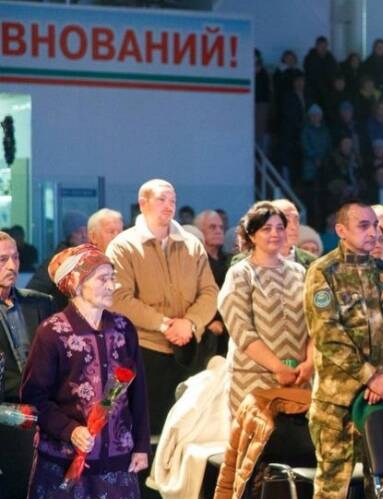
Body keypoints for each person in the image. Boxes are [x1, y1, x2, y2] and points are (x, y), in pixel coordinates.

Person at [19, 245, 150, 499]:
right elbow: (34, 398)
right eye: (103, 278)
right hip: (64, 459)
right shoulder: (53, 332)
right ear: (76, 283)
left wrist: (141, 445)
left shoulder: (123, 328)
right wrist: (69, 429)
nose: (112, 285)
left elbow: (138, 391)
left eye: (112, 277)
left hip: (115, 454)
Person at [302, 202, 383, 499]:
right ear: (341, 230)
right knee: (334, 478)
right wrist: (369, 377)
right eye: (363, 225)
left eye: (375, 225)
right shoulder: (322, 272)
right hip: (337, 399)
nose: (372, 232)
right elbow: (327, 335)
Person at [107, 179, 219, 434]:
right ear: (143, 203)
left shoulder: (192, 245)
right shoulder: (123, 246)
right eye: (161, 199)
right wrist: (164, 324)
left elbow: (210, 292)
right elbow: (119, 298)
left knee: (187, 431)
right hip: (144, 351)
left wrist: (190, 323)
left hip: (189, 348)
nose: (169, 206)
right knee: (147, 430)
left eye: (172, 200)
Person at [218, 203, 312, 414]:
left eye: (280, 228)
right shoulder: (240, 273)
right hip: (253, 379)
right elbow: (241, 330)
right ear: (252, 235)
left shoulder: (299, 272)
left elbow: (315, 323)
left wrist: (309, 363)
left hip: (299, 379)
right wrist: (277, 367)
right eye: (267, 229)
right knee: (256, 435)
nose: (275, 234)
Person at [0, 231, 54, 499]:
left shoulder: (40, 302)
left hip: (42, 400)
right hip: (6, 405)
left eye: (16, 258)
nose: (12, 266)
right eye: (2, 260)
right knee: (28, 422)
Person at [28, 209, 124, 310]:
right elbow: (36, 289)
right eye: (78, 232)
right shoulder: (64, 259)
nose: (83, 236)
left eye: (85, 231)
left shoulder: (98, 257)